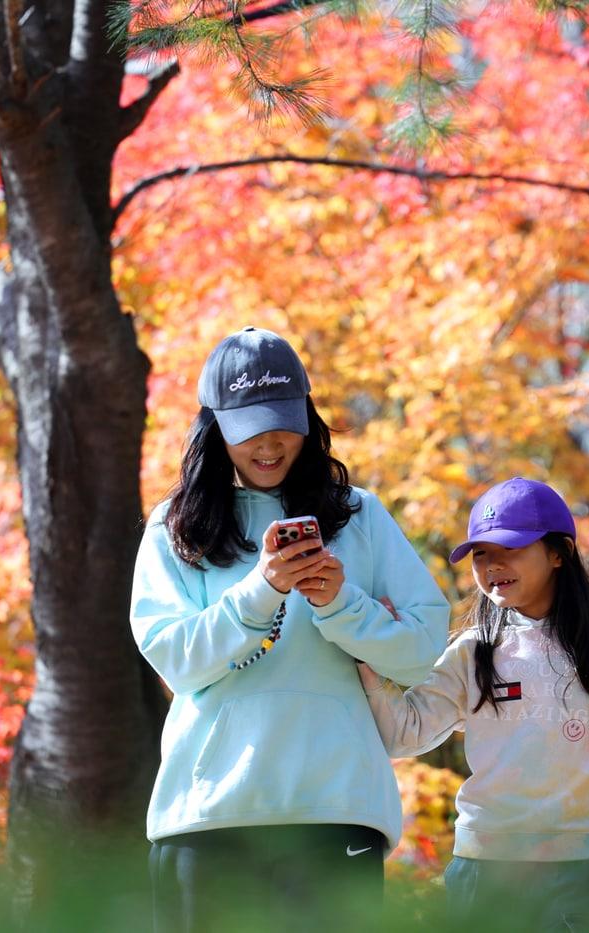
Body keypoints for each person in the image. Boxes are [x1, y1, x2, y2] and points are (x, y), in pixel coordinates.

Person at [131, 326, 450, 932]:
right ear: (214, 425)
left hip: (337, 810)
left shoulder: (358, 515)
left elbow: (423, 651)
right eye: (248, 425)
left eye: (283, 420)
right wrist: (262, 591)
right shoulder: (177, 525)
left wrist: (341, 605)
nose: (270, 442)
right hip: (209, 816)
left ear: (307, 414)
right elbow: (173, 658)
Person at [358, 478, 589, 933]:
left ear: (558, 552)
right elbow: (404, 734)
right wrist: (369, 657)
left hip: (572, 873)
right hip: (478, 873)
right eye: (480, 554)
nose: (492, 565)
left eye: (511, 548)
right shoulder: (472, 650)